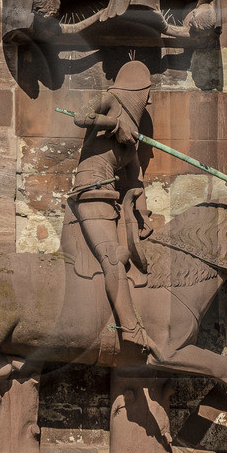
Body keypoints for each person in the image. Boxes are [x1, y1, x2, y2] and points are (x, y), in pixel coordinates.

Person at [71, 58, 156, 353]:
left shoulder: (133, 131)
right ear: (137, 88)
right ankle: (130, 329)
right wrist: (115, 123)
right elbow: (81, 116)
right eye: (148, 92)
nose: (151, 99)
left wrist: (143, 214)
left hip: (110, 196)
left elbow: (135, 175)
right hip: (90, 187)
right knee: (113, 256)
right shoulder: (109, 99)